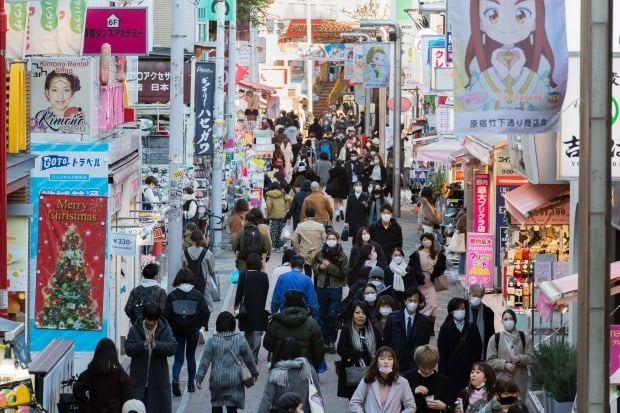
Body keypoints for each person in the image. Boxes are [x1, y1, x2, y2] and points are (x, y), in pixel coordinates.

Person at [462, 0, 560, 113]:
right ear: (480, 22)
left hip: (529, 128)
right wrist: (498, 74)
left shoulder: (541, 63)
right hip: (489, 129)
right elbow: (468, 103)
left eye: (521, 15)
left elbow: (550, 104)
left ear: (535, 21)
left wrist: (518, 75)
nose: (507, 25)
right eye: (493, 15)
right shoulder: (477, 63)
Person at [196, 312, 259, 413]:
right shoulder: (240, 339)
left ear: (218, 325)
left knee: (216, 404)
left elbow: (205, 361)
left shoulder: (212, 341)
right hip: (235, 379)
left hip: (217, 379)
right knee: (232, 406)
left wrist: (199, 377)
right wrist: (254, 372)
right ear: (233, 324)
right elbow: (249, 358)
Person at [164, 268, 210, 396]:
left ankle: (176, 379)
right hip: (193, 329)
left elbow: (166, 314)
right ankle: (190, 384)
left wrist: (170, 327)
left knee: (178, 358)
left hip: (177, 330)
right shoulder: (197, 294)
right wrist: (202, 325)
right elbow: (205, 311)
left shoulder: (172, 295)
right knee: (191, 356)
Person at [125, 302, 177, 413]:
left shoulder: (164, 328)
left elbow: (172, 347)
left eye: (155, 320)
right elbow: (128, 348)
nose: (152, 323)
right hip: (139, 381)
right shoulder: (135, 329)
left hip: (159, 381)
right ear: (145, 318)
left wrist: (155, 345)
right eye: (149, 320)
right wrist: (144, 344)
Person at [264, 290, 326, 369]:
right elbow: (319, 350)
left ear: (285, 302)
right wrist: (313, 365)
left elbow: (268, 345)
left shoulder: (275, 322)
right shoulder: (312, 323)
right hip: (305, 366)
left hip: (280, 366)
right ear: (302, 302)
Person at [257, 337, 322, 413]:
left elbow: (267, 397)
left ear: (281, 351)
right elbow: (317, 394)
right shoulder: (308, 368)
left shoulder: (276, 371)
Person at [438, 298, 483, 399]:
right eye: (457, 309)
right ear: (451, 311)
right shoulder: (445, 329)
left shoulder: (472, 327)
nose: (460, 311)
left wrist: (473, 365)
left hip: (469, 370)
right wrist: (443, 373)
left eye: (462, 308)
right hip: (451, 372)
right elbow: (442, 352)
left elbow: (478, 347)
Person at [312, 230, 349, 353]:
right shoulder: (320, 254)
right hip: (322, 287)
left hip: (335, 288)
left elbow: (343, 273)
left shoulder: (342, 256)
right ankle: (323, 341)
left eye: (334, 239)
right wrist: (319, 267)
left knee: (332, 315)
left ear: (337, 240)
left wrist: (329, 266)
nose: (331, 241)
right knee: (321, 315)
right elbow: (314, 265)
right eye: (329, 239)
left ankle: (331, 341)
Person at [336, 301, 382, 399]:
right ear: (352, 314)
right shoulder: (347, 330)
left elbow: (380, 349)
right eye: (357, 313)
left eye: (363, 313)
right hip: (354, 372)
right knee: (356, 403)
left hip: (372, 372)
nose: (361, 316)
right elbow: (341, 349)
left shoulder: (374, 330)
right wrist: (357, 355)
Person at [73, 338, 133, 413]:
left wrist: (87, 405)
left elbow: (77, 389)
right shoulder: (121, 376)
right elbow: (128, 401)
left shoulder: (90, 374)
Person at [349, 346, 416, 412]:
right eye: (382, 358)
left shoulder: (402, 382)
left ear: (393, 363)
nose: (386, 362)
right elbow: (354, 402)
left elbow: (411, 406)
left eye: (390, 359)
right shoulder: (368, 379)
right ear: (376, 362)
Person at [382, 287, 432, 372]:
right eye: (410, 300)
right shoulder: (393, 318)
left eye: (415, 301)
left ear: (419, 302)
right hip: (395, 362)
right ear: (405, 301)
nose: (412, 303)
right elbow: (386, 342)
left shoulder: (425, 321)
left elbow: (424, 344)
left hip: (414, 364)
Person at [486, 309, 535, 395]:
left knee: (517, 407)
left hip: (519, 383)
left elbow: (532, 358)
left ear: (515, 321)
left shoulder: (525, 338)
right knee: (502, 407)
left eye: (511, 319)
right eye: (505, 319)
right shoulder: (495, 339)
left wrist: (520, 359)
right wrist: (504, 364)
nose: (508, 321)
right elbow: (490, 361)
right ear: (502, 321)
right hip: (501, 382)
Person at [234, 253, 269, 362]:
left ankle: (246, 355)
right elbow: (266, 291)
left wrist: (236, 307)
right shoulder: (263, 276)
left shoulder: (244, 275)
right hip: (260, 308)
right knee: (258, 333)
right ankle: (254, 355)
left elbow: (239, 293)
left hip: (246, 309)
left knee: (248, 333)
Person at [409, 233, 447, 329]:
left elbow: (442, 268)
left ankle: (430, 327)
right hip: (419, 283)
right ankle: (418, 322)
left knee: (432, 304)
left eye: (428, 239)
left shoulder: (438, 254)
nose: (426, 241)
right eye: (424, 239)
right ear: (421, 241)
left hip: (431, 284)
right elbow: (411, 268)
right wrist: (419, 275)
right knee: (419, 303)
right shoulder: (416, 254)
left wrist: (434, 271)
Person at [402, 345, 452, 413]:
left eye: (431, 368)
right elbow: (398, 401)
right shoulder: (407, 377)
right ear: (418, 363)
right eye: (423, 368)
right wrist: (413, 391)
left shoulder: (443, 380)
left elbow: (452, 406)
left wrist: (444, 406)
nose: (427, 371)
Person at [182, 230, 216, 311]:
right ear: (202, 239)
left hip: (189, 283)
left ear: (191, 239)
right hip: (204, 283)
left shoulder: (185, 253)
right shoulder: (207, 253)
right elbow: (212, 269)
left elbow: (183, 268)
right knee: (207, 306)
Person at [291, 207, 326, 276]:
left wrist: (297, 249)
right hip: (317, 252)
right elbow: (325, 240)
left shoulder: (300, 226)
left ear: (305, 214)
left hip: (305, 252)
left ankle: (308, 285)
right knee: (317, 273)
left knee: (307, 272)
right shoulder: (320, 226)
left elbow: (294, 239)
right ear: (314, 215)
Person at [468, 283, 496, 360]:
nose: (476, 298)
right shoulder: (462, 307)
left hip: (481, 352)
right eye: (474, 296)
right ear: (469, 294)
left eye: (479, 296)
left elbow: (490, 333)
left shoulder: (488, 312)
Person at [265, 181, 293, 251]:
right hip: (283, 216)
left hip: (273, 217)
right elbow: (291, 199)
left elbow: (268, 205)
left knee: (274, 232)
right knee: (282, 231)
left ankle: (275, 247)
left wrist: (269, 213)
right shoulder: (283, 194)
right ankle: (282, 246)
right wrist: (287, 207)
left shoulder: (269, 195)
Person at [456, 207, 467, 276]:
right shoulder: (465, 216)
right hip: (465, 238)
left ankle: (461, 271)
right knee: (463, 256)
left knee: (463, 256)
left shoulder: (461, 216)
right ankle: (461, 271)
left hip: (463, 238)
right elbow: (461, 227)